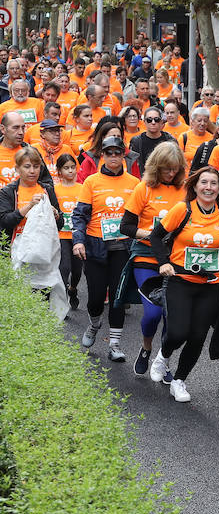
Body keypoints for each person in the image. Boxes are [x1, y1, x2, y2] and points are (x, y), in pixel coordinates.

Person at [148, 165, 219, 402]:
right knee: (178, 331)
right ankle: (163, 354)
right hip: (180, 280)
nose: (209, 187)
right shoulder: (183, 210)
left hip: (210, 284)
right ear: (195, 185)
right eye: (204, 182)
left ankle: (179, 380)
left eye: (214, 183)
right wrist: (163, 263)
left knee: (198, 335)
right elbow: (155, 236)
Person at [119, 141, 186, 376]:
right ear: (157, 167)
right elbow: (125, 226)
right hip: (147, 255)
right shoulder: (144, 188)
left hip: (176, 258)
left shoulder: (185, 190)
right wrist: (152, 235)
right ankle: (146, 347)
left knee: (173, 316)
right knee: (153, 313)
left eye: (175, 169)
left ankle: (163, 359)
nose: (171, 173)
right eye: (167, 169)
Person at [72, 135, 139, 360]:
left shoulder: (133, 183)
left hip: (122, 248)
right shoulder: (91, 182)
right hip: (95, 246)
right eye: (108, 153)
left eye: (117, 153)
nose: (113, 157)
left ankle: (115, 345)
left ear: (123, 155)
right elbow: (80, 215)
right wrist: (78, 241)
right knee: (95, 298)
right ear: (102, 155)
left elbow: (141, 216)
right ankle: (94, 324)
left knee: (118, 298)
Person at [53, 152, 84, 303]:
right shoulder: (55, 189)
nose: (70, 171)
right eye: (66, 168)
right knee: (64, 268)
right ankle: (62, 301)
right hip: (61, 235)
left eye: (72, 167)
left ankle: (72, 288)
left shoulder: (82, 188)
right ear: (59, 171)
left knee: (77, 270)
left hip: (78, 236)